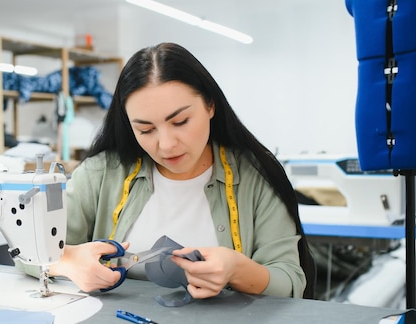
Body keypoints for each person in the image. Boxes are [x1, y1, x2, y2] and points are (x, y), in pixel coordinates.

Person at [49, 42, 315, 300]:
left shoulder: (255, 176)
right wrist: (66, 262)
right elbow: (28, 249)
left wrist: (238, 270)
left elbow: (290, 282)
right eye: (145, 130)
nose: (166, 145)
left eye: (180, 121)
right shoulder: (101, 172)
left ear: (210, 106)